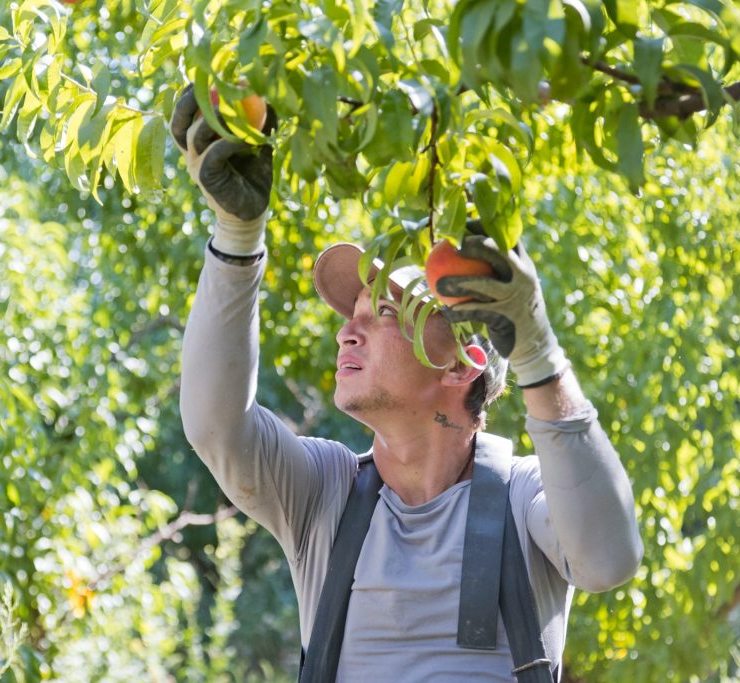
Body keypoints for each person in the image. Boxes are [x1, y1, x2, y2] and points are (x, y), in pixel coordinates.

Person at [172, 85, 643, 681]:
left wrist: (536, 350)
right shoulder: (325, 494)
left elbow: (606, 560)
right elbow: (215, 425)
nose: (347, 333)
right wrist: (237, 236)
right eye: (351, 317)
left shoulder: (527, 496)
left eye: (384, 316)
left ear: (461, 363)